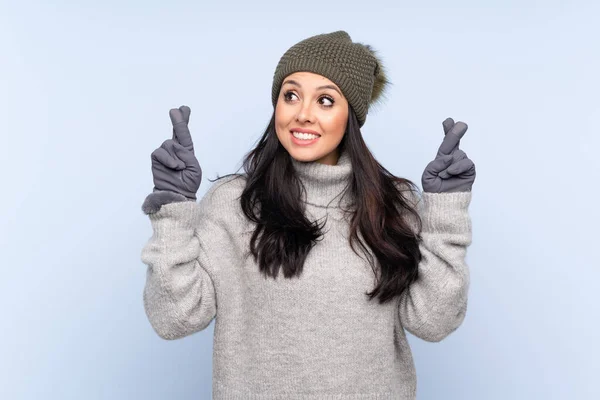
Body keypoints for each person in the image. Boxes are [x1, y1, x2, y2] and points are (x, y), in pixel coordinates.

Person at [140, 30, 476, 399]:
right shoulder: (233, 204)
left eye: (326, 101)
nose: (303, 114)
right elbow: (174, 319)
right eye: (291, 95)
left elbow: (434, 322)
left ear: (352, 116)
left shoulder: (395, 206)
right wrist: (172, 208)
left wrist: (446, 214)